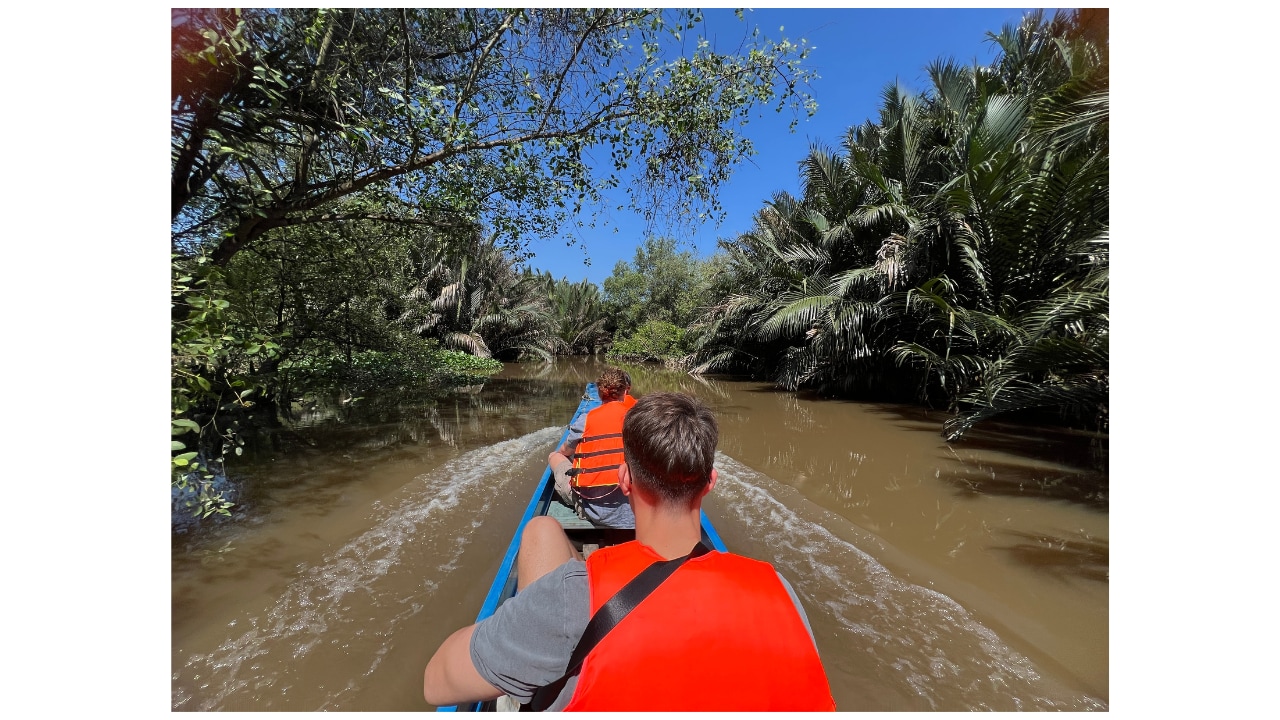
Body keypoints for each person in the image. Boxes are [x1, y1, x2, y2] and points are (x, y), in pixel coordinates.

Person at [423, 392, 836, 711]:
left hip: (574, 605)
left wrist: (516, 625)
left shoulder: (576, 596)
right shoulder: (779, 590)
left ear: (625, 479)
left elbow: (436, 681)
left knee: (541, 530)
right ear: (709, 482)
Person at [547, 366, 636, 529]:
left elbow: (565, 451)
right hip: (636, 512)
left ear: (600, 393)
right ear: (626, 391)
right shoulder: (642, 419)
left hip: (594, 511)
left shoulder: (587, 419)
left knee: (555, 456)